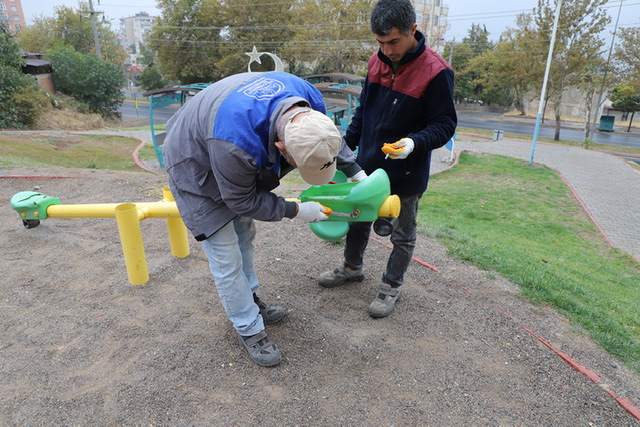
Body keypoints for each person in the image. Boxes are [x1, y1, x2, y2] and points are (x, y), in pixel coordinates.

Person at [163, 71, 364, 367]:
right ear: (282, 148)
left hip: (227, 140)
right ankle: (248, 328)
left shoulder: (306, 97)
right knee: (226, 254)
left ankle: (250, 300)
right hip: (194, 161)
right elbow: (240, 199)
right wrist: (295, 210)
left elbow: (325, 137)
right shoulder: (235, 144)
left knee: (244, 233)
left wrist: (359, 173)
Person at [317, 0, 457, 318]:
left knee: (402, 233)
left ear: (412, 30)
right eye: (380, 42)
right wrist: (343, 149)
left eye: (393, 41)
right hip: (367, 166)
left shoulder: (437, 71)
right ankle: (351, 268)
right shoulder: (376, 62)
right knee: (357, 218)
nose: (387, 50)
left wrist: (413, 142)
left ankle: (391, 286)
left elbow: (445, 124)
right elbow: (363, 113)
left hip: (406, 171)